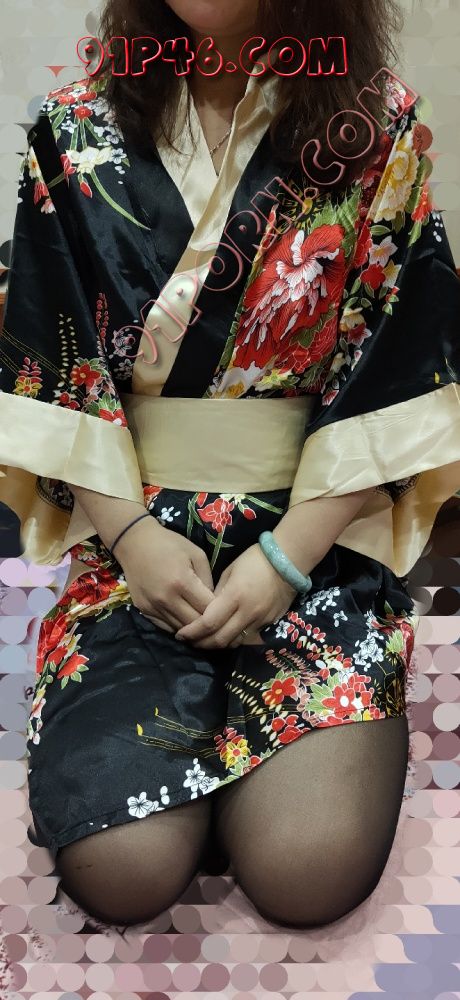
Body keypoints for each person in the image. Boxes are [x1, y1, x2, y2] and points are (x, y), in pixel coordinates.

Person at [0, 0, 459, 929]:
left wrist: (289, 556)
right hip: (135, 543)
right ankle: (206, 782)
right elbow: (55, 362)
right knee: (122, 871)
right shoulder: (74, 128)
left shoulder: (376, 126)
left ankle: (241, 787)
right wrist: (132, 539)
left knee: (307, 872)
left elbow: (398, 363)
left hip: (316, 540)